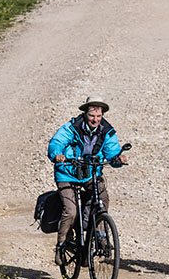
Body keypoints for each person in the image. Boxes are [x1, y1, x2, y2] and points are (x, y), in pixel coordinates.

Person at [47, 97, 128, 267]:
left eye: (98, 116)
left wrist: (118, 158)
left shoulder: (106, 131)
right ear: (85, 114)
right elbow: (57, 142)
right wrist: (57, 155)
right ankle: (62, 245)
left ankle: (99, 235)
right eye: (92, 115)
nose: (95, 120)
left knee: (102, 198)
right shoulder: (72, 127)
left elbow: (112, 152)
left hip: (90, 173)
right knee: (70, 210)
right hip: (67, 173)